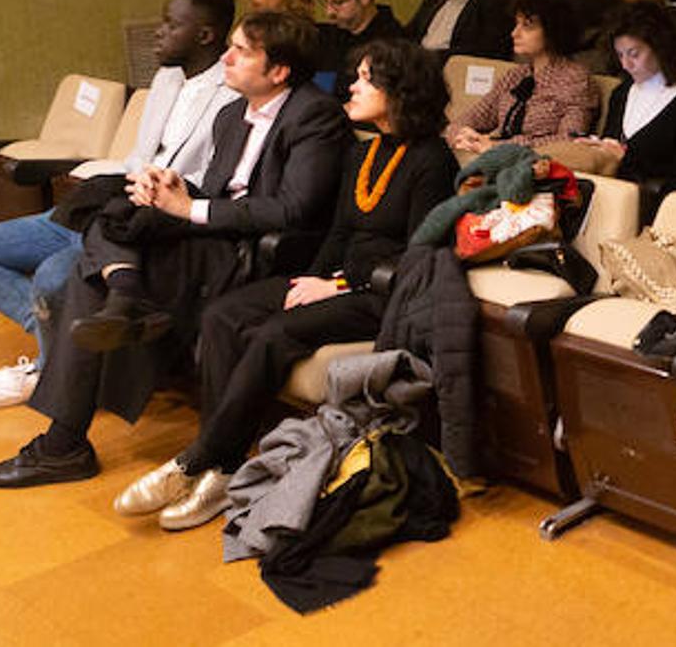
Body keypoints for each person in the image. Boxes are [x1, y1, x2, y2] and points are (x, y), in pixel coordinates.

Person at [0, 12, 351, 489]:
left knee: (89, 276)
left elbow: (293, 210)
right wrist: (170, 186)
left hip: (260, 254)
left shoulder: (315, 115)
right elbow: (218, 189)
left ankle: (65, 440)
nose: (227, 59)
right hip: (214, 234)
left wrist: (189, 208)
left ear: (278, 72)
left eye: (242, 52)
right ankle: (121, 299)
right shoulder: (231, 114)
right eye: (229, 46)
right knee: (114, 206)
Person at [112, 40, 458, 530]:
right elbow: (340, 232)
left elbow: (418, 252)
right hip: (338, 278)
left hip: (385, 293)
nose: (351, 86)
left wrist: (336, 286)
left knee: (273, 333)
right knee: (224, 315)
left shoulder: (433, 160)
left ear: (399, 91)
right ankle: (222, 467)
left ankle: (200, 461)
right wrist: (315, 276)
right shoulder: (365, 153)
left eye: (364, 78)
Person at [0, 0, 242, 409]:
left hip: (150, 216)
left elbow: (203, 179)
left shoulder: (231, 92)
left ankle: (52, 373)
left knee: (51, 279)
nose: (159, 31)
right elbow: (137, 157)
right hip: (111, 198)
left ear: (205, 36)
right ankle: (54, 347)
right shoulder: (164, 78)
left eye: (170, 24)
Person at [580, 2, 676, 200]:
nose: (626, 65)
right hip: (610, 196)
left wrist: (624, 159)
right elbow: (611, 145)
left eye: (634, 54)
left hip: (657, 203)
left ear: (660, 47)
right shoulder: (622, 92)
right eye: (620, 55)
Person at [446, 0, 593, 153]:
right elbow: (472, 116)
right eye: (516, 24)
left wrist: (500, 147)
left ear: (552, 30)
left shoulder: (574, 78)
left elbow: (569, 140)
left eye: (527, 26)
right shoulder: (515, 75)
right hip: (493, 154)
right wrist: (461, 136)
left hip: (536, 165)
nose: (514, 33)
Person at [314, 0, 408, 95]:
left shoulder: (392, 46)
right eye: (325, 2)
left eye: (338, 3)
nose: (329, 12)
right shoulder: (330, 34)